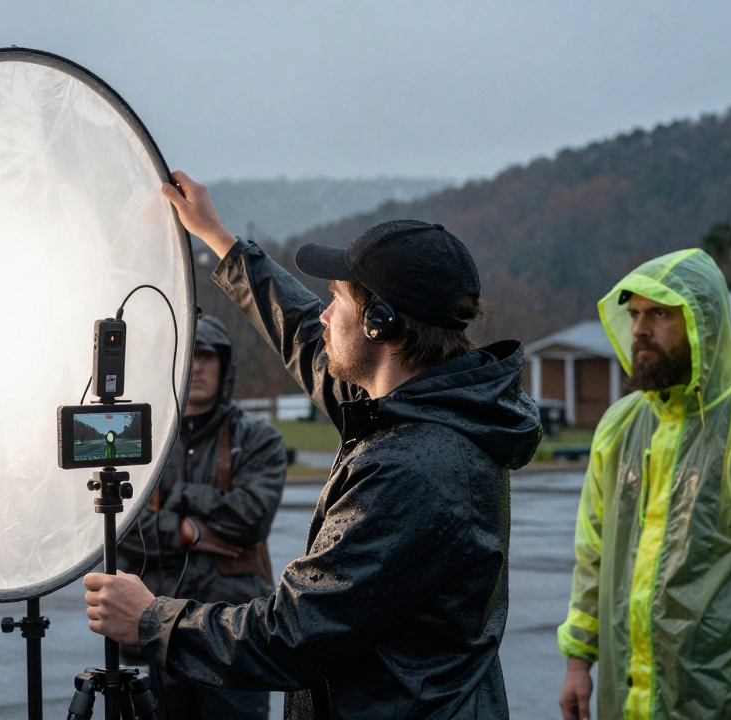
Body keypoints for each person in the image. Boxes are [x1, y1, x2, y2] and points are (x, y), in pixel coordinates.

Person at [84, 172, 542, 718]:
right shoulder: (420, 410)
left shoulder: (411, 469)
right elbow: (304, 332)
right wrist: (221, 241)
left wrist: (153, 620)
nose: (324, 314)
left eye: (336, 299)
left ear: (379, 322)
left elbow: (295, 634)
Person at [557, 249, 731, 720]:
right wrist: (578, 660)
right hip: (626, 699)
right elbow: (593, 553)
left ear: (704, 322)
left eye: (659, 312)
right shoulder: (620, 425)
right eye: (635, 313)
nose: (639, 329)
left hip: (723, 700)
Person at [117, 314, 288, 720]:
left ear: (224, 365)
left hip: (233, 639)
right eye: (189, 355)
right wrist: (184, 531)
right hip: (155, 634)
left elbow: (252, 518)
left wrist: (179, 496)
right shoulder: (142, 438)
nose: (196, 366)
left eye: (207, 356)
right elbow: (119, 528)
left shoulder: (258, 439)